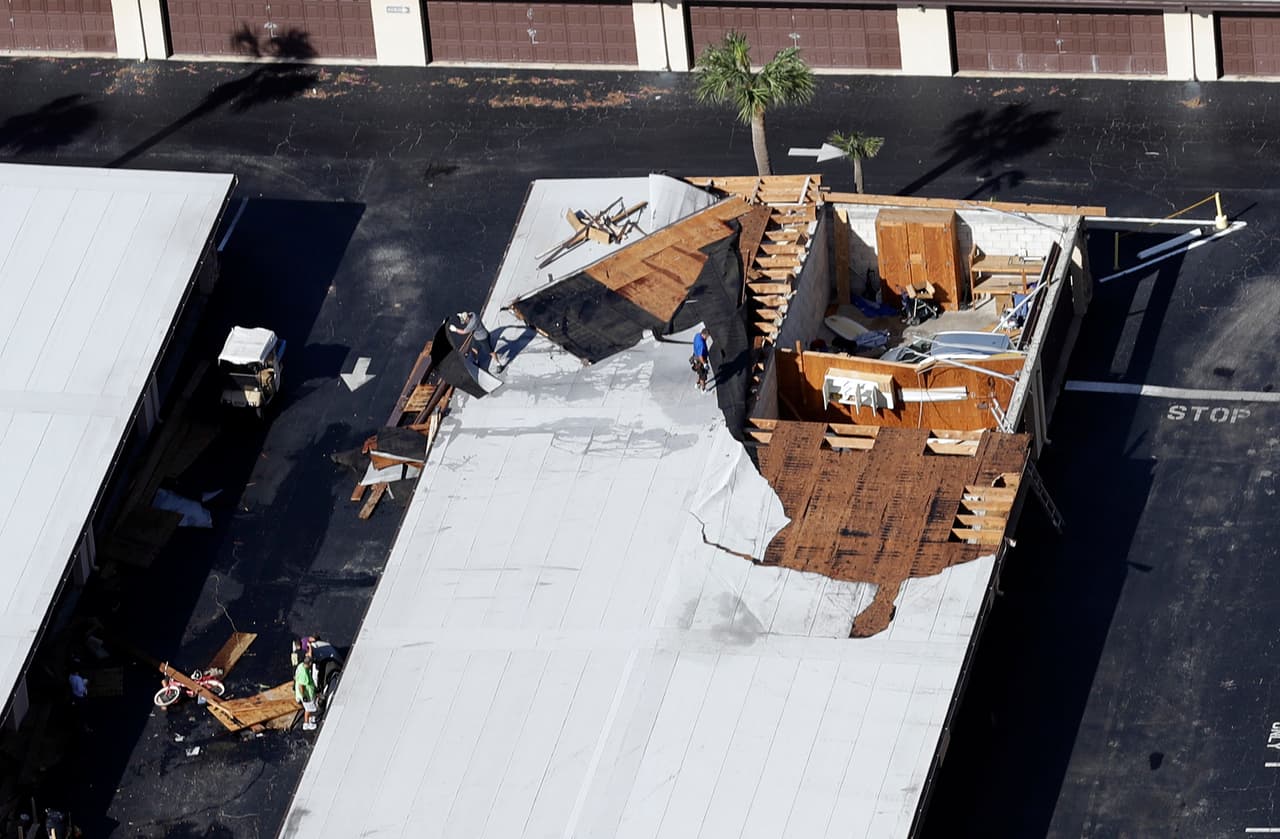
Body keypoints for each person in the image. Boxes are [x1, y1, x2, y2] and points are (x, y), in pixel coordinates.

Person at [295, 654, 318, 730]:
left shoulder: (301, 666)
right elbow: (301, 686)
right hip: (307, 695)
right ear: (310, 663)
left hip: (308, 693)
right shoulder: (304, 674)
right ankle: (306, 723)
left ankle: (310, 718)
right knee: (308, 709)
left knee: (310, 708)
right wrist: (304, 696)